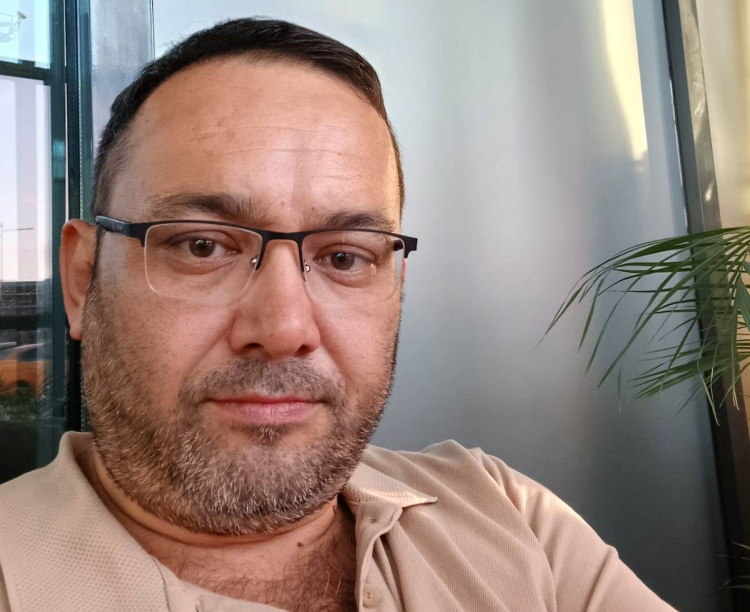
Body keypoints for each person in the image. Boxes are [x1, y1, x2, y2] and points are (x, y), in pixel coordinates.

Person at [0, 17, 677, 612]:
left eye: (345, 257)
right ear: (83, 280)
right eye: (203, 246)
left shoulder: (507, 512)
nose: (285, 330)